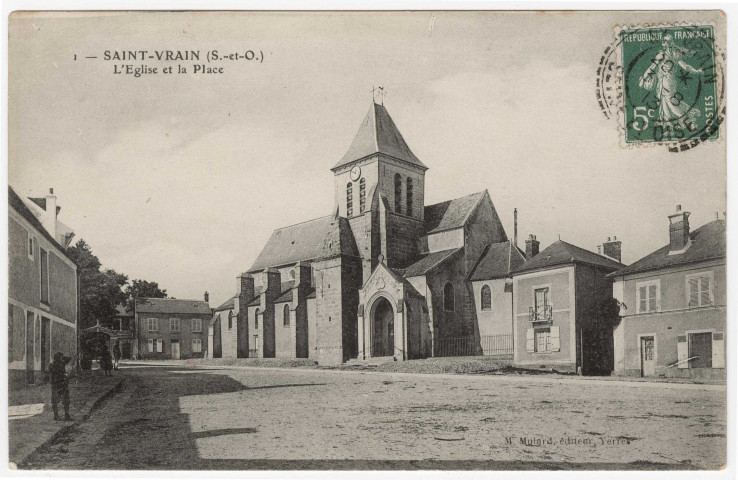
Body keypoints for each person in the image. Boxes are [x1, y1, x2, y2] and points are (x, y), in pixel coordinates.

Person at [49, 352, 72, 421]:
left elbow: (69, 359)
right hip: (56, 384)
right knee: (55, 401)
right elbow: (54, 374)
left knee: (66, 400)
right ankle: (56, 416)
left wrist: (63, 358)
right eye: (60, 358)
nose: (62, 360)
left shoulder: (61, 364)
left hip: (62, 384)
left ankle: (66, 415)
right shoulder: (52, 365)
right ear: (57, 359)